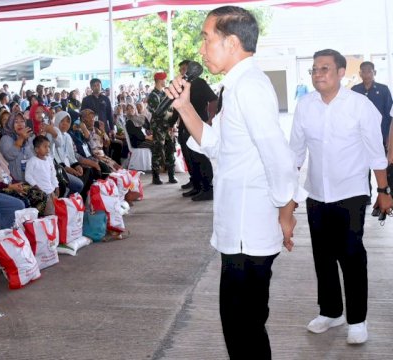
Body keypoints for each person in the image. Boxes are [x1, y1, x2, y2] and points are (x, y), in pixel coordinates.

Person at [165, 6, 303, 359]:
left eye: (207, 38)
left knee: (244, 327)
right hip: (239, 229)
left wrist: (286, 212)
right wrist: (184, 107)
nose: (201, 48)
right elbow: (216, 144)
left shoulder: (250, 87)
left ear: (231, 41)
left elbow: (279, 157)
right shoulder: (238, 85)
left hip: (250, 230)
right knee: (242, 325)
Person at [290, 49, 393, 345]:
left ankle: (357, 319)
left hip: (351, 193)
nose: (317, 74)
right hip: (317, 194)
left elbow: (376, 152)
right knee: (322, 256)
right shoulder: (305, 106)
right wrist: (290, 194)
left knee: (351, 255)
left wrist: (384, 191)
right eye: (314, 69)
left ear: (340, 73)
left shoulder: (359, 106)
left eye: (324, 68)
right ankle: (331, 311)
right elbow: (296, 153)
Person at [0, 123, 48, 214]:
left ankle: (34, 222)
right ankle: (25, 223)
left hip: (9, 185)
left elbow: (7, 173)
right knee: (26, 201)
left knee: (41, 195)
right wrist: (10, 186)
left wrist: (17, 184)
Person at [177, 59, 219, 201]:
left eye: (183, 69)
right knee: (189, 158)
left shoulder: (200, 83)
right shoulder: (184, 85)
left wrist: (211, 118)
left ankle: (207, 188)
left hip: (199, 124)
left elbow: (213, 100)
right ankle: (196, 185)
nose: (182, 72)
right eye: (180, 70)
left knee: (199, 157)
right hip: (185, 125)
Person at [351, 61, 392, 151]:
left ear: (375, 73)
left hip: (381, 133)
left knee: (381, 162)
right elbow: (351, 113)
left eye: (369, 71)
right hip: (360, 135)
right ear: (360, 74)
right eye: (363, 72)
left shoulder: (383, 89)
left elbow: (389, 114)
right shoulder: (355, 90)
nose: (366, 74)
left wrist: (389, 136)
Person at [147, 72, 177, 185]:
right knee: (158, 151)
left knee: (170, 149)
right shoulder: (153, 96)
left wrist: (172, 123)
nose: (165, 81)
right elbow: (158, 112)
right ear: (159, 80)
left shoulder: (164, 94)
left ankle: (171, 175)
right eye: (164, 79)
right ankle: (156, 176)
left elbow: (171, 109)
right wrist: (170, 118)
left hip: (167, 127)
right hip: (159, 127)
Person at [25, 135, 59, 215]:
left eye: (48, 146)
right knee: (48, 213)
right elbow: (28, 176)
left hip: (51, 191)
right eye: (45, 147)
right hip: (41, 193)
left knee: (55, 212)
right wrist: (35, 185)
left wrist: (56, 186)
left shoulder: (49, 160)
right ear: (36, 149)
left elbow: (53, 174)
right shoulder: (32, 161)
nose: (48, 149)